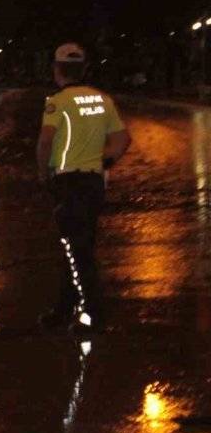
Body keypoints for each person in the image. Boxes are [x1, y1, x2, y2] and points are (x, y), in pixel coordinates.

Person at [36, 43, 131, 332]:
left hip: (67, 183)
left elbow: (45, 142)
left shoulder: (58, 101)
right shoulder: (102, 100)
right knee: (77, 247)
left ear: (56, 70)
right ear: (84, 69)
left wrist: (43, 174)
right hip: (93, 182)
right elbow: (123, 140)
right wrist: (106, 160)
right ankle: (63, 311)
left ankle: (93, 315)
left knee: (78, 252)